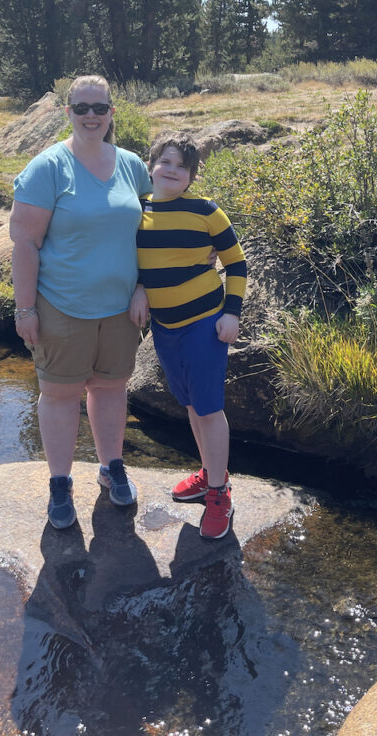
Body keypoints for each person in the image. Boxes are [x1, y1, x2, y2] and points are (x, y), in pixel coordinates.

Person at [10, 75, 151, 529]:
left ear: (112, 112)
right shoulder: (47, 168)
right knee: (60, 394)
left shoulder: (132, 165)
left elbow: (152, 236)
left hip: (121, 309)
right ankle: (59, 484)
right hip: (61, 307)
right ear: (67, 112)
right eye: (81, 107)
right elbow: (25, 245)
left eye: (100, 107)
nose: (91, 115)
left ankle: (112, 468)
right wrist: (26, 309)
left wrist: (144, 287)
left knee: (111, 388)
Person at [130, 131, 247, 540]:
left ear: (192, 177)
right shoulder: (138, 211)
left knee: (209, 408)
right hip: (164, 328)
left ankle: (219, 494)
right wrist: (141, 288)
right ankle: (209, 472)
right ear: (151, 166)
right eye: (166, 162)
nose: (172, 171)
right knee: (192, 408)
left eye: (183, 166)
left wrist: (231, 314)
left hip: (205, 323)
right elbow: (136, 261)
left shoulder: (207, 211)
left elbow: (237, 264)